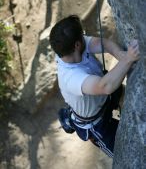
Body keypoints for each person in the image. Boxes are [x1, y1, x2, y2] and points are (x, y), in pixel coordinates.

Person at [49, 15, 140, 157]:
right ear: (77, 45)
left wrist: (121, 55)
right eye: (82, 35)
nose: (85, 36)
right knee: (126, 154)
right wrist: (128, 58)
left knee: (121, 92)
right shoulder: (70, 78)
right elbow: (105, 86)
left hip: (105, 99)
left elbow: (103, 43)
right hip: (97, 125)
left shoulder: (70, 48)